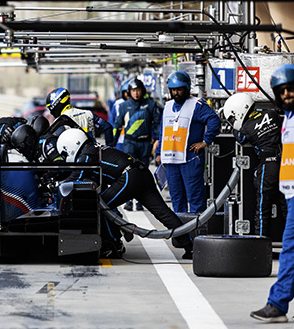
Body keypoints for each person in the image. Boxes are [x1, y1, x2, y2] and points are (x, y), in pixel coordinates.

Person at [250, 64, 294, 322]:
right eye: (281, 91)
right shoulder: (290, 117)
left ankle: (277, 305)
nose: (286, 94)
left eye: (291, 88)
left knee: (292, 249)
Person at [54, 128, 194, 259]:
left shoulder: (86, 155)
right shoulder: (95, 149)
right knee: (163, 213)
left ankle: (114, 244)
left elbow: (75, 178)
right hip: (141, 172)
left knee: (100, 208)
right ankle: (190, 246)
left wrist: (55, 187)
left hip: (129, 177)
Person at [222, 92, 287, 239]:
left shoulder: (246, 129)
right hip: (284, 165)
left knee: (262, 207)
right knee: (287, 207)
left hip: (268, 167)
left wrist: (232, 128)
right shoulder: (272, 113)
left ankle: (260, 243)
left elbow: (240, 138)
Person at [155, 71, 221, 213]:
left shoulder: (197, 105)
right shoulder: (167, 107)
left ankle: (197, 233)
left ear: (187, 89)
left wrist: (205, 141)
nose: (176, 93)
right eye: (173, 90)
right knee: (177, 199)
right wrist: (159, 152)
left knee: (195, 198)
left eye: (179, 90)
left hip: (190, 159)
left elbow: (214, 120)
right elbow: (163, 131)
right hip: (171, 161)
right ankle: (181, 234)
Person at [114, 78, 162, 211]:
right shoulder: (124, 106)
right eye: (133, 91)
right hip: (130, 143)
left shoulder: (151, 105)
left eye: (138, 90)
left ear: (143, 91)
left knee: (143, 172)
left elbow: (158, 123)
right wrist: (111, 144)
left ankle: (141, 201)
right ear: (129, 92)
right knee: (129, 172)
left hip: (145, 143)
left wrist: (157, 139)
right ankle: (128, 200)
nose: (136, 93)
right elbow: (117, 126)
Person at [45, 87, 114, 146]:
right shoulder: (88, 113)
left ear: (55, 106)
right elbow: (107, 127)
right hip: (93, 154)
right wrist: (109, 146)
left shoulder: (59, 122)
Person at [109, 79, 131, 151]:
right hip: (120, 140)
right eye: (126, 92)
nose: (127, 94)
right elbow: (112, 121)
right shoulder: (117, 104)